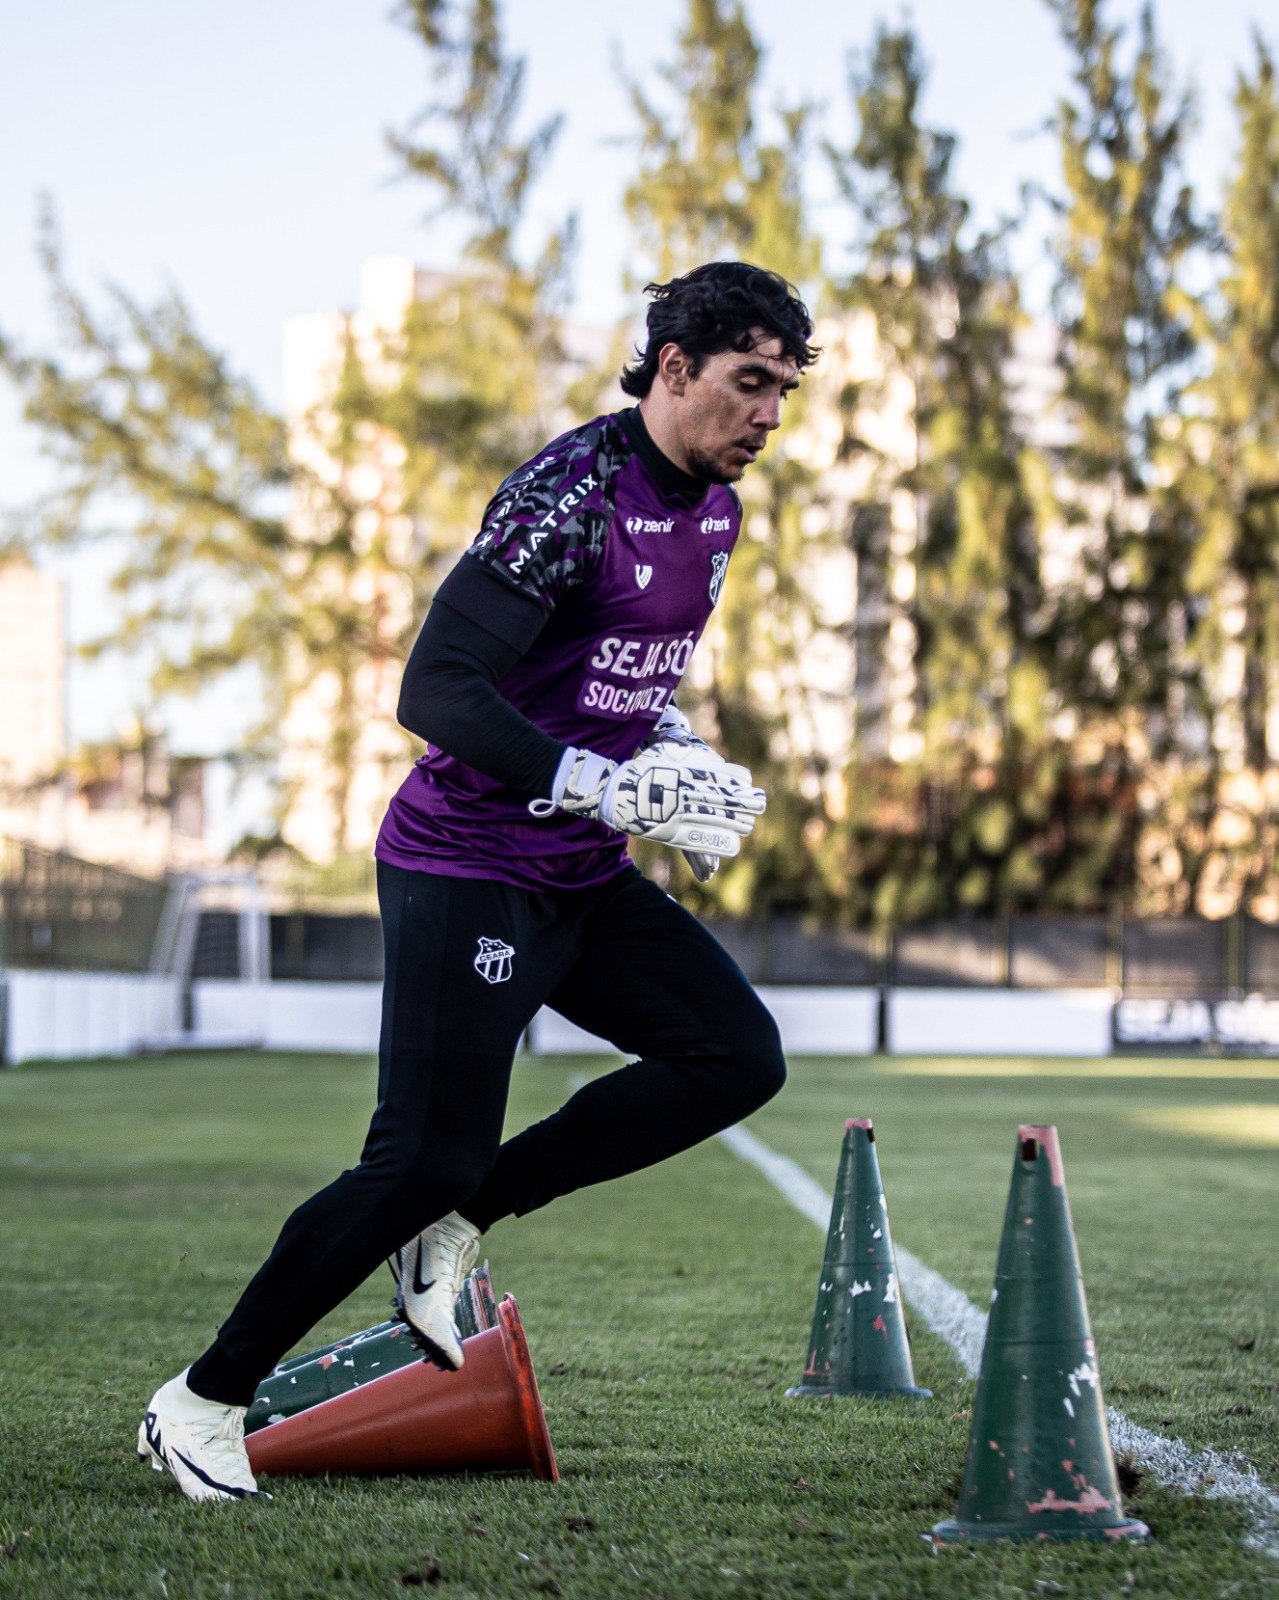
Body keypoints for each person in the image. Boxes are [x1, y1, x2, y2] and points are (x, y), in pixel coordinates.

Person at [138, 260, 820, 1501]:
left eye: (784, 388)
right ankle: (202, 1399)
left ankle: (461, 1222)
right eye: (750, 381)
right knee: (416, 1156)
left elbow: (611, 672)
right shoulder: (570, 494)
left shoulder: (717, 509)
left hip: (580, 868)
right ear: (675, 368)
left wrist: (668, 746)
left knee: (735, 1055)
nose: (769, 413)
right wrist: (590, 777)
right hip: (466, 863)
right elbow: (436, 688)